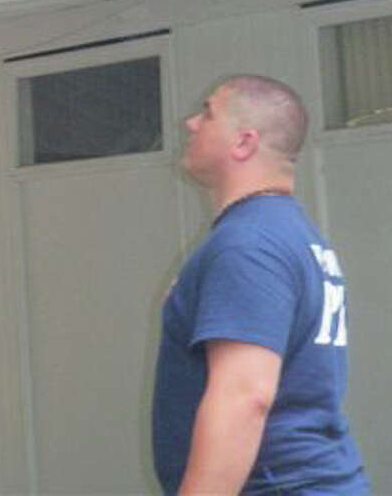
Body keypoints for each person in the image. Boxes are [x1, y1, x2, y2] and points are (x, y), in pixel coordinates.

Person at [153, 75, 368, 494]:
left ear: (244, 143)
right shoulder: (289, 233)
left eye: (209, 113)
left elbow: (245, 397)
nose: (191, 123)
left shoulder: (248, 244)